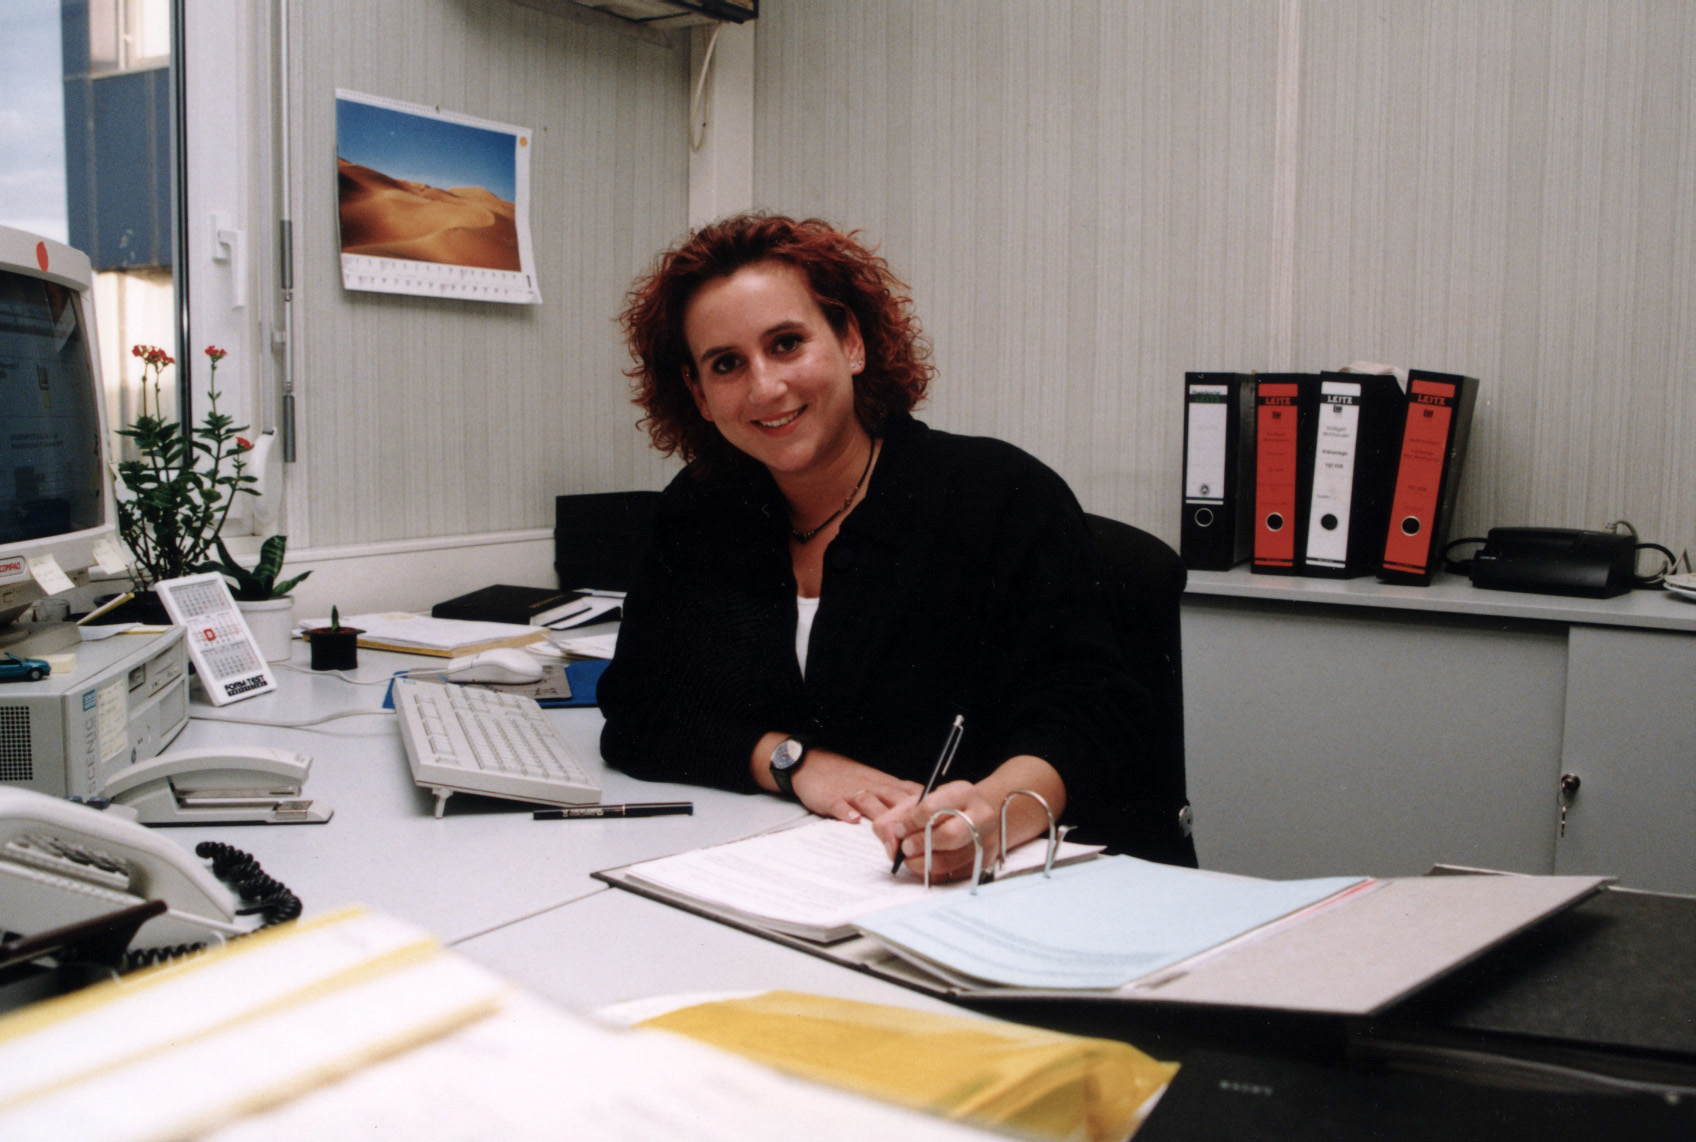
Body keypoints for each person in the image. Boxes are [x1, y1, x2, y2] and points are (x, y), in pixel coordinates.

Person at [599, 213, 1160, 881]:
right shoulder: (702, 509)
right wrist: (795, 763)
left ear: (852, 343)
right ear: (698, 393)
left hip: (1002, 885)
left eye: (786, 344)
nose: (765, 387)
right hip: (793, 877)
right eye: (726, 364)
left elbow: (1093, 713)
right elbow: (636, 707)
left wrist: (992, 812)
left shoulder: (996, 495)